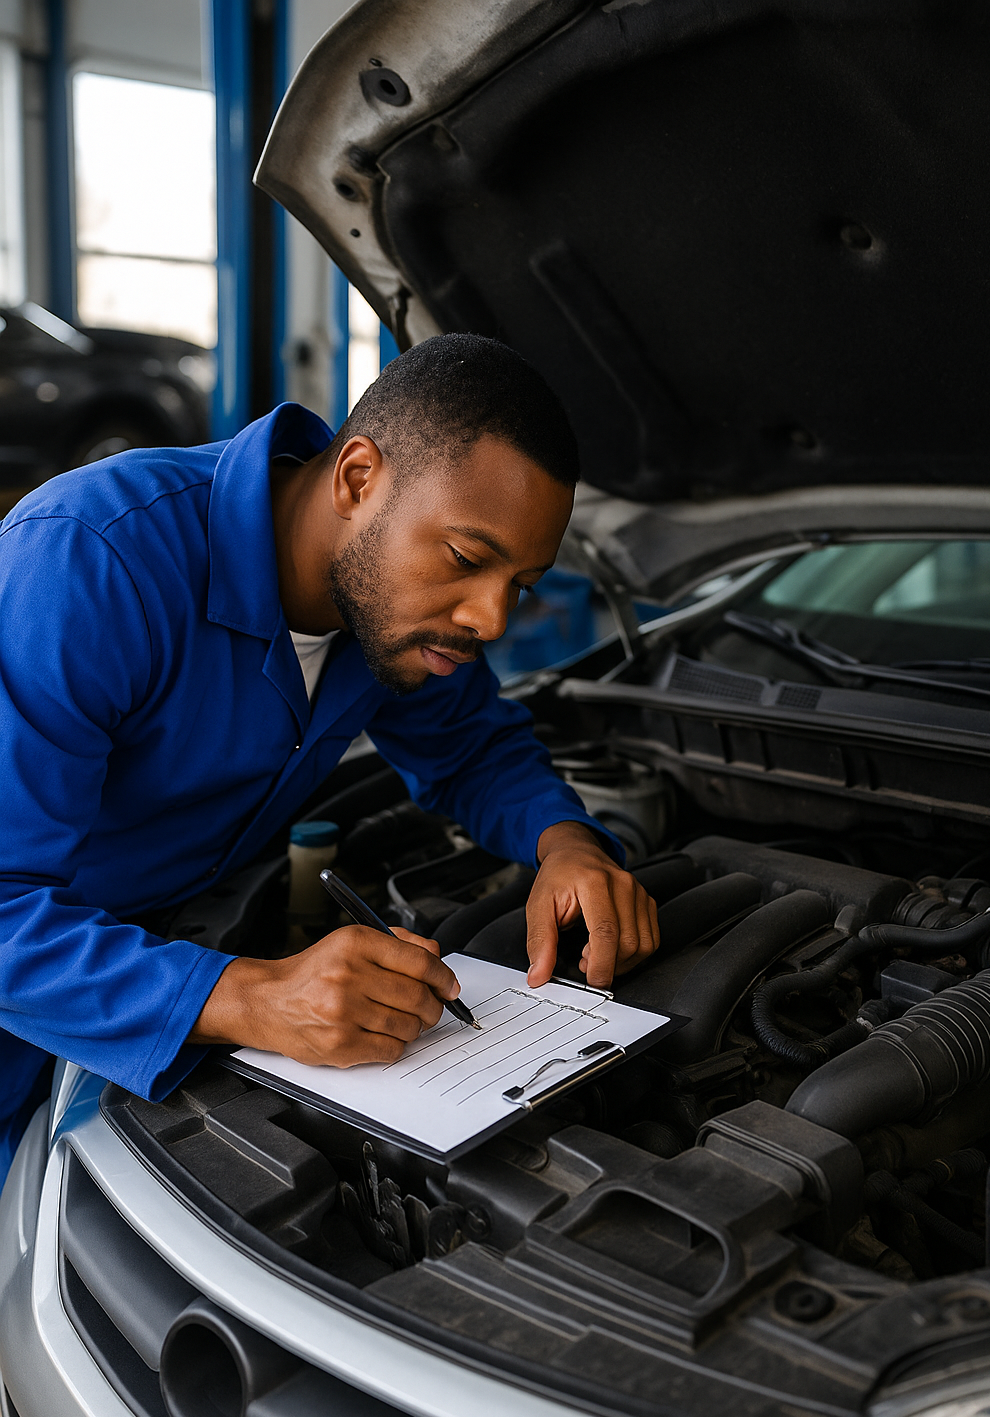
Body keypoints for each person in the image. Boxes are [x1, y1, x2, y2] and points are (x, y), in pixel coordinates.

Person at [0, 334, 659, 1184]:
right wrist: (253, 998)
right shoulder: (88, 563)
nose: (492, 619)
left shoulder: (395, 615)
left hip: (137, 990)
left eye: (520, 585)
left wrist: (564, 840)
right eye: (467, 558)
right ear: (357, 478)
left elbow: (471, 747)